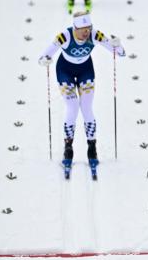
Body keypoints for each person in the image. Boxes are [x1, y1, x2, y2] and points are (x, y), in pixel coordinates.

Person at [39, 12, 125, 175]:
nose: (86, 33)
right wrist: (44, 60)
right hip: (65, 71)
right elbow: (44, 55)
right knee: (72, 107)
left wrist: (117, 45)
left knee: (86, 108)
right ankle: (68, 148)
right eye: (83, 30)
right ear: (75, 28)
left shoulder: (95, 35)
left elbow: (120, 53)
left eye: (88, 29)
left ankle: (92, 147)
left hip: (86, 70)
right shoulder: (64, 36)